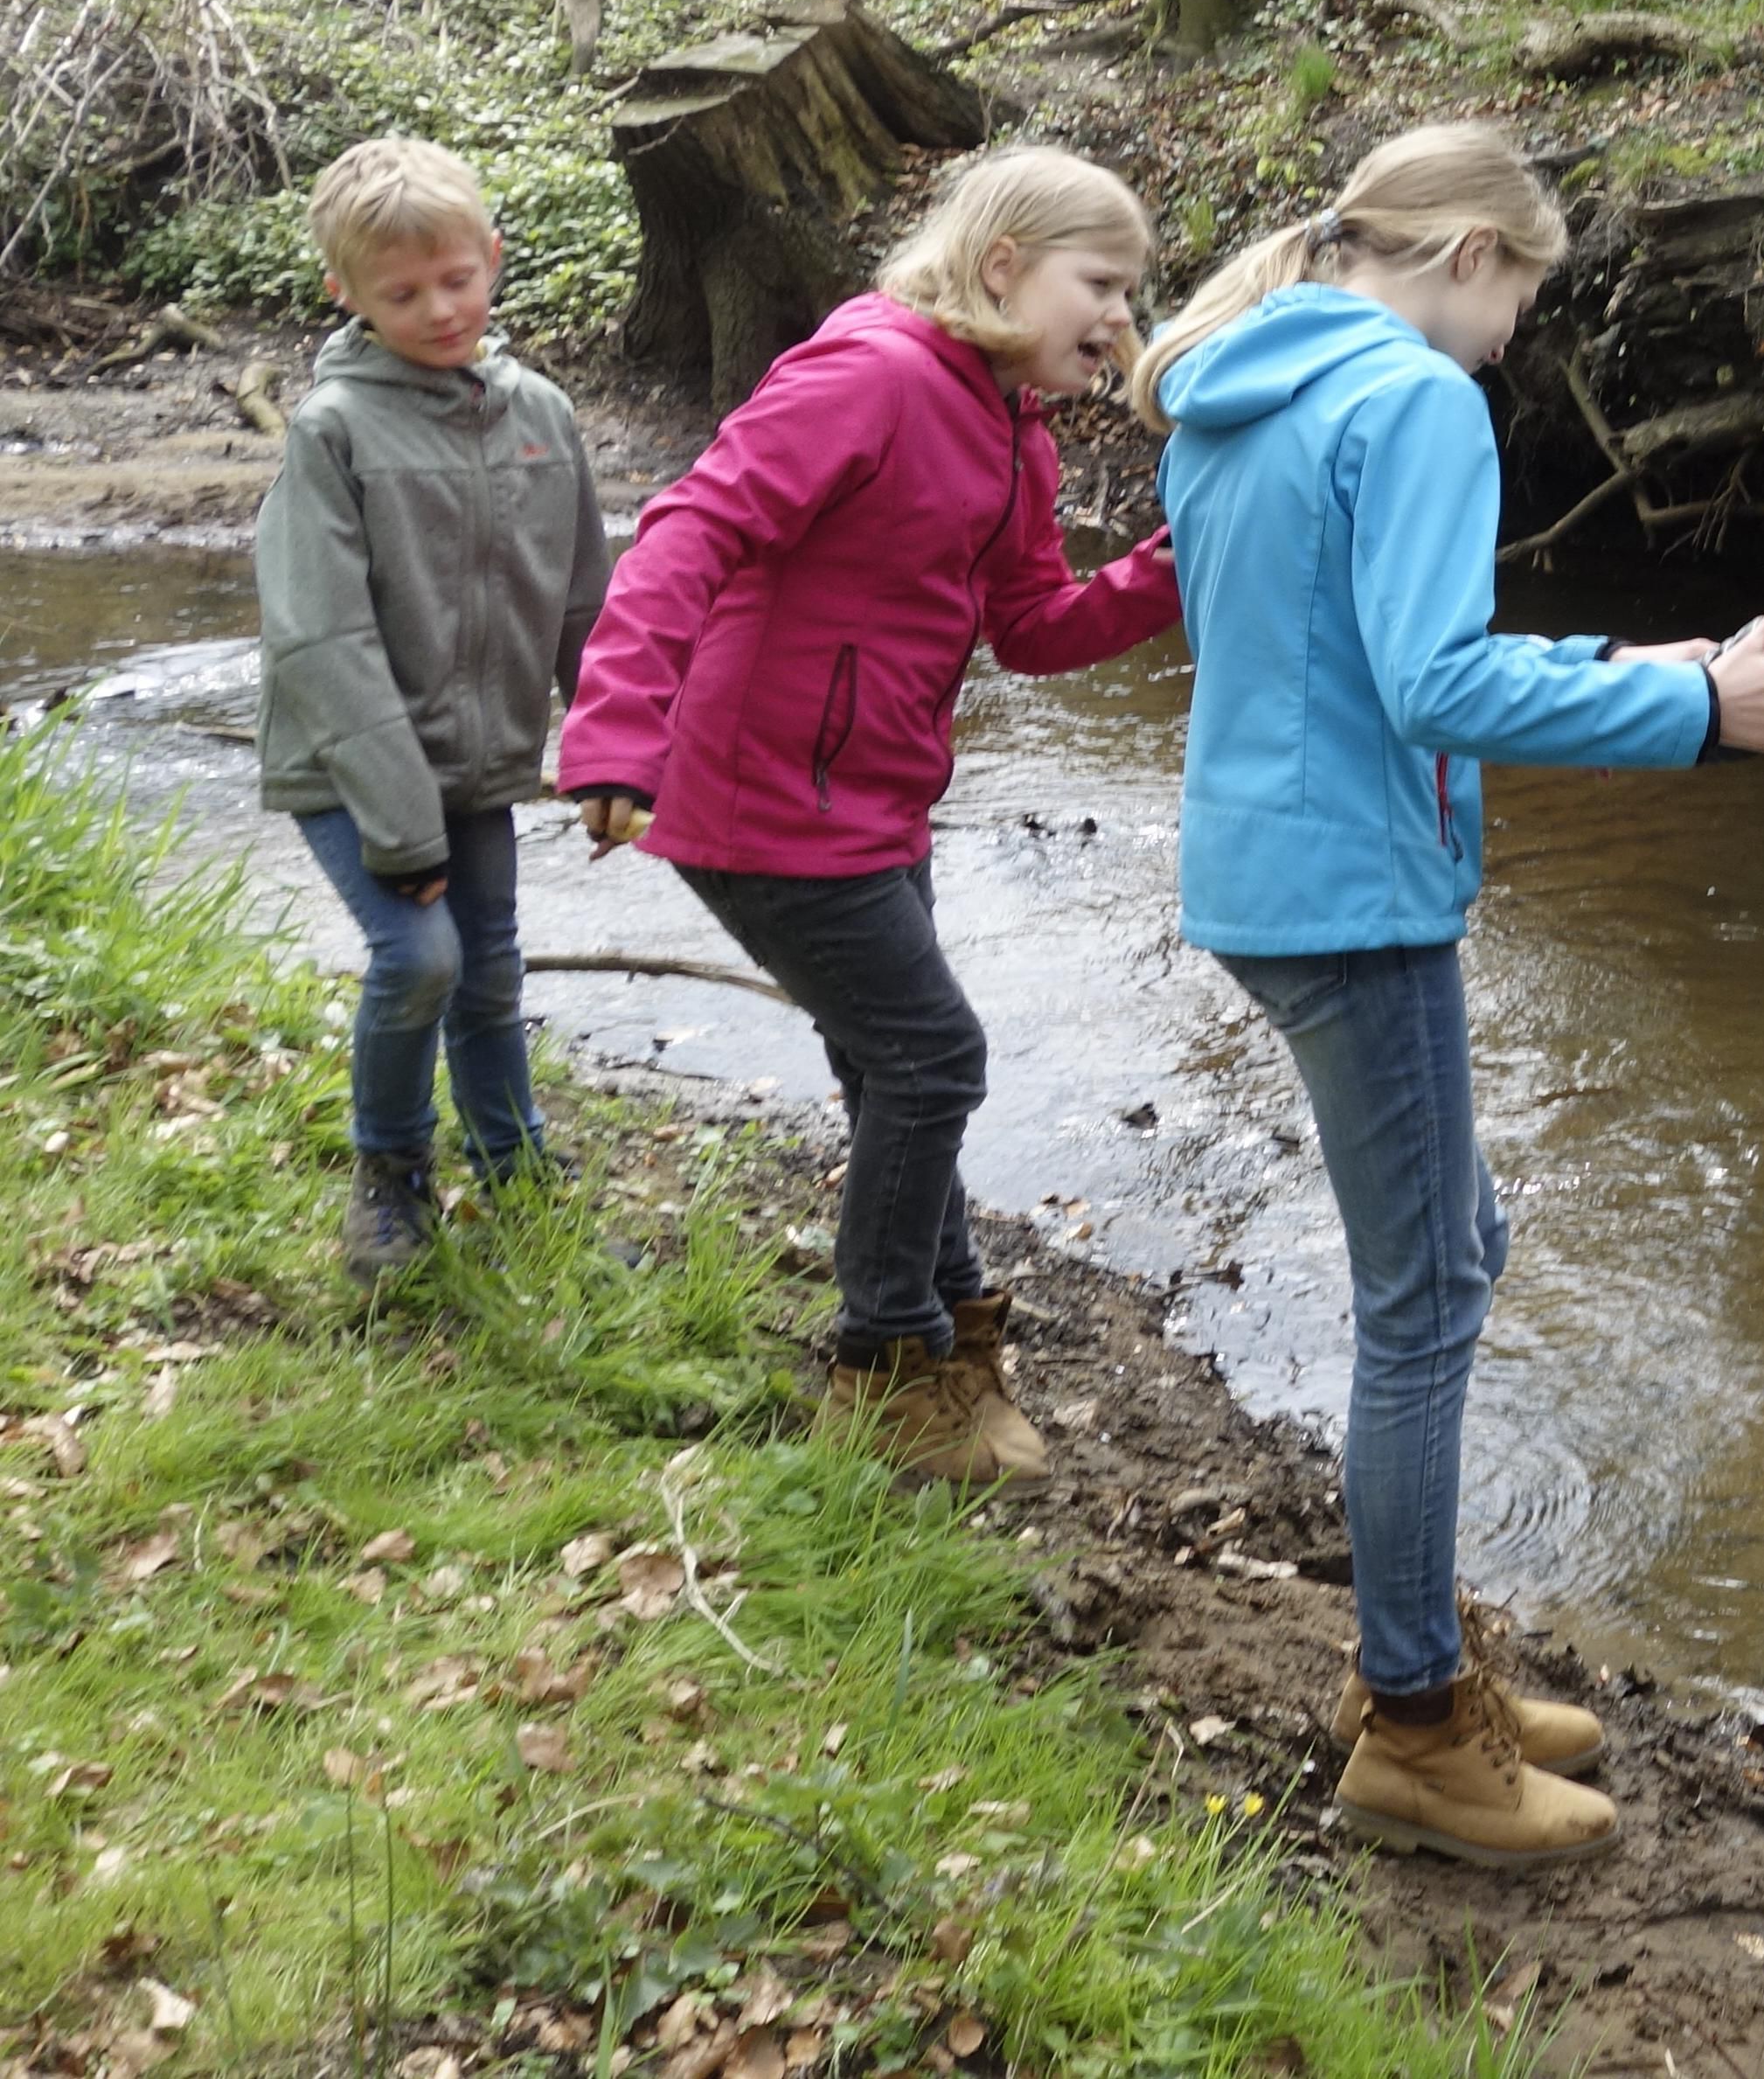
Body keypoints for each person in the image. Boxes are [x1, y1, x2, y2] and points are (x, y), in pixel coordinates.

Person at [1135, 122, 1764, 1870]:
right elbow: (1433, 681)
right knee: (1431, 1290)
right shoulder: (1412, 402)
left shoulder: (1249, 383)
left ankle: (1423, 1658)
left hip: (1268, 871)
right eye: (1522, 297)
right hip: (1353, 894)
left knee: (1449, 1252)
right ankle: (1412, 1723)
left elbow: (1349, 652)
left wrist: (1657, 657)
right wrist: (1699, 716)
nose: (1515, 338)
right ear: (1469, 252)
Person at [559, 148, 1183, 1485]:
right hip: (754, 790)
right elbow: (689, 529)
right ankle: (883, 1371)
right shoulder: (874, 375)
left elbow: (1029, 631)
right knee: (932, 1057)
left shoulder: (1012, 430)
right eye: (1103, 286)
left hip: (875, 796)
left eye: (1133, 295)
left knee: (889, 1062)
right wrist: (614, 731)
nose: (1123, 323)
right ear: (1002, 264)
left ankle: (949, 1341)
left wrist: (1169, 572)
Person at [256, 137, 614, 1285]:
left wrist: (617, 749)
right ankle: (391, 1175)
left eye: (457, 279)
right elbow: (322, 637)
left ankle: (516, 1170)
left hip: (481, 761)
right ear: (345, 295)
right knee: (418, 958)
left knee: (492, 967)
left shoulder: (540, 414)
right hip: (351, 768)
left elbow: (584, 599)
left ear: (493, 260)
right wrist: (400, 823)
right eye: (402, 294)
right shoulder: (332, 432)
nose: (439, 308)